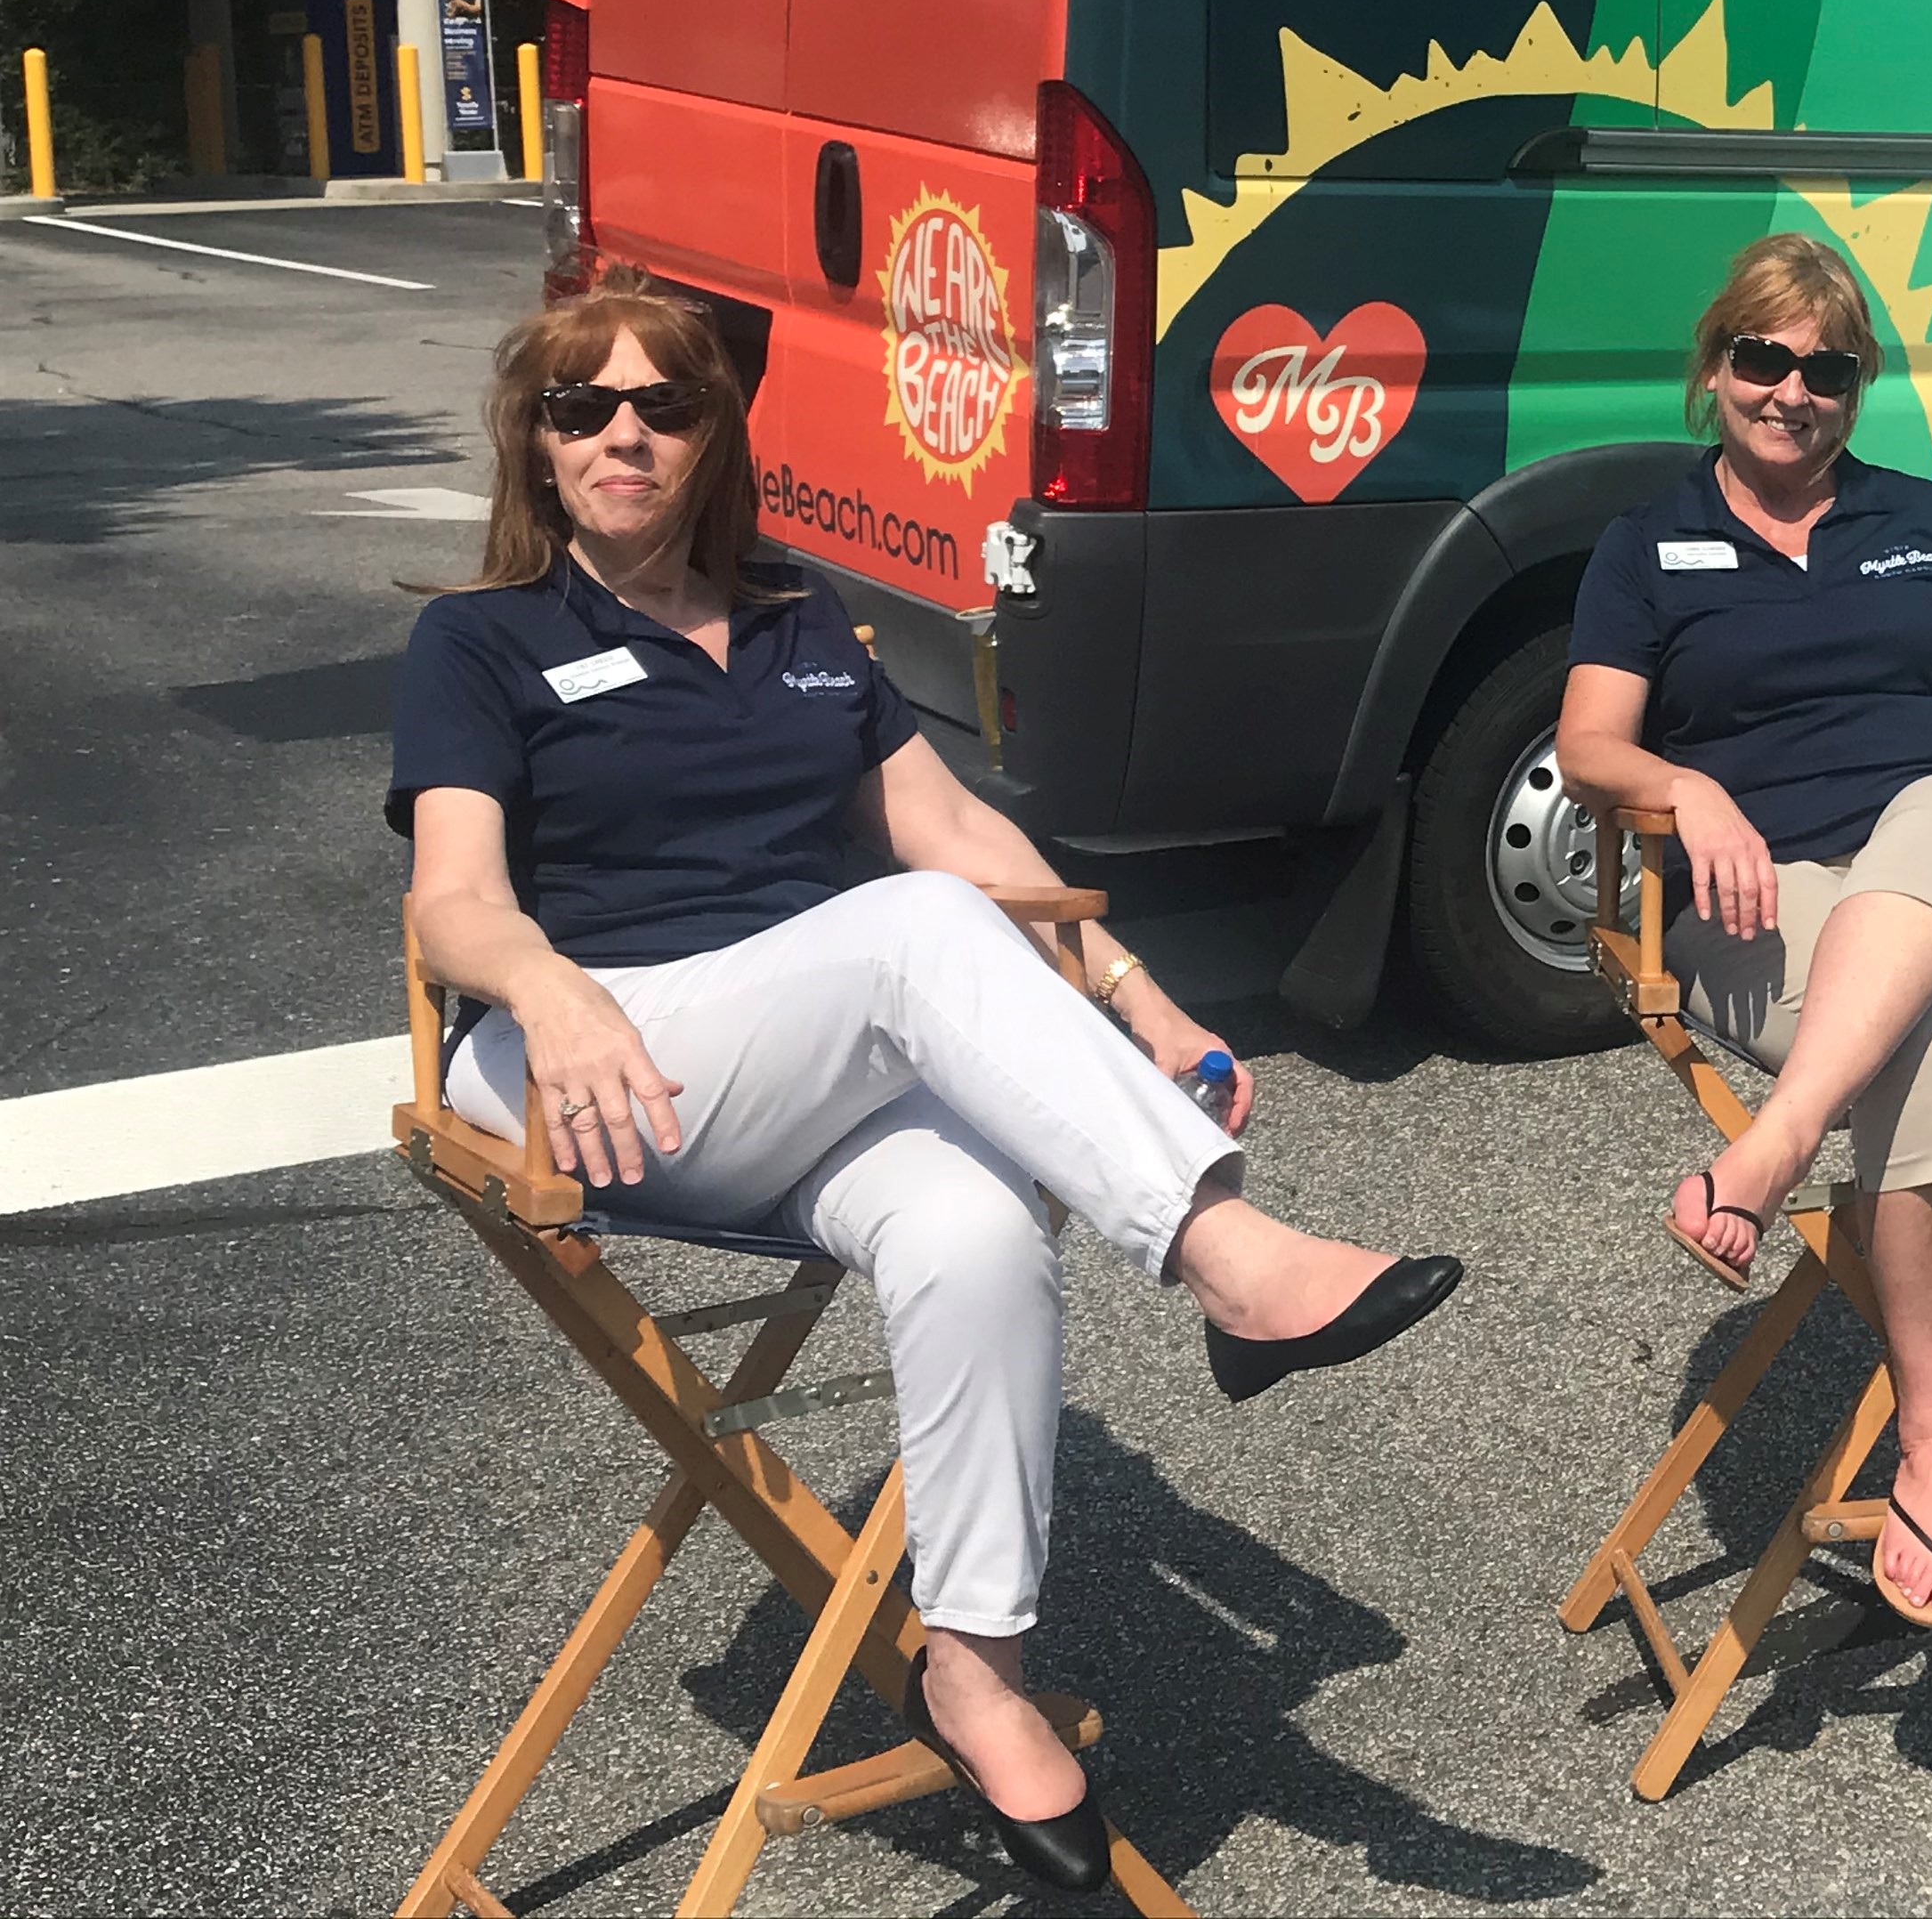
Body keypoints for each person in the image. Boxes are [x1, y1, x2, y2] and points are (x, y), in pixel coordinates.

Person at [392, 269, 1458, 1897]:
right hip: (583, 1056)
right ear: (534, 444)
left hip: (789, 1047)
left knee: (973, 1227)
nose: (622, 432)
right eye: (580, 406)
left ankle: (975, 1661)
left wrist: (1147, 1001)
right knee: (904, 935)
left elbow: (962, 836)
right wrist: (547, 981)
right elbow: (452, 897)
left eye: (661, 404)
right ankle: (1230, 1258)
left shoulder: (803, 620)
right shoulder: (483, 636)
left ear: (710, 434)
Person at [1555, 234, 1932, 1631]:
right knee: (1926, 1058)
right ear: (1717, 369)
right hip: (1768, 908)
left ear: (1856, 386)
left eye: (1828, 368)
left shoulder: (1926, 524)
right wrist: (1685, 785)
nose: (1792, 392)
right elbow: (1587, 747)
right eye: (1764, 359)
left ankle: (1775, 1140)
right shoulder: (1647, 549)